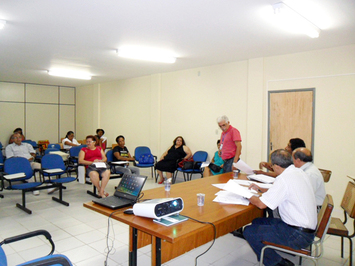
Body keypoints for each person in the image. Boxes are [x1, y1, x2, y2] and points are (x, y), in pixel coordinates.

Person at [244, 149, 317, 266]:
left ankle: (277, 263)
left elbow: (261, 204)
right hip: (304, 229)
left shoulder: (283, 179)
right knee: (257, 221)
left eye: (272, 166)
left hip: (297, 235)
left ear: (277, 166)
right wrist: (261, 189)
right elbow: (285, 191)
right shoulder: (298, 172)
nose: (272, 168)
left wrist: (248, 195)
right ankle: (270, 257)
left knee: (249, 231)